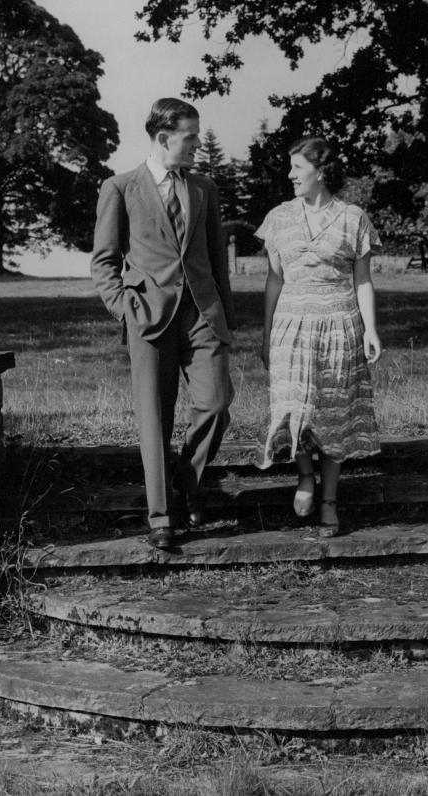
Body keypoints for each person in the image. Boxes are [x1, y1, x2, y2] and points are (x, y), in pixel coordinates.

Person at [91, 98, 235, 550]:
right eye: (189, 136)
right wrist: (123, 307)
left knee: (215, 403)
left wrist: (224, 316)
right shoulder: (120, 187)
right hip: (149, 318)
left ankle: (184, 480)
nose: (196, 144)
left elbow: (216, 260)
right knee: (154, 418)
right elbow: (104, 261)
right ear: (163, 138)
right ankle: (161, 517)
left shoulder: (204, 188)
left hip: (202, 314)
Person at [255, 136, 383, 537]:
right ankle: (305, 476)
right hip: (290, 326)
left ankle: (329, 499)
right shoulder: (277, 218)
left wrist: (371, 329)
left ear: (321, 171)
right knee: (296, 409)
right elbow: (274, 279)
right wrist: (265, 333)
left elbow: (363, 280)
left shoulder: (352, 218)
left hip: (339, 325)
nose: (290, 175)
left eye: (297, 167)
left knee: (334, 413)